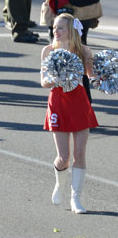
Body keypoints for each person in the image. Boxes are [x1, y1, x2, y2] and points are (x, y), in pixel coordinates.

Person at [40, 14, 97, 214]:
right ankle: (59, 183)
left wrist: (104, 70)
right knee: (63, 157)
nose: (56, 31)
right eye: (55, 27)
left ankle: (76, 198)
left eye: (61, 28)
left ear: (71, 31)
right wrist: (57, 77)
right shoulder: (48, 51)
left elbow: (93, 77)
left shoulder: (84, 51)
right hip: (58, 102)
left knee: (80, 153)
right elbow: (44, 82)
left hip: (79, 103)